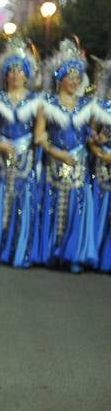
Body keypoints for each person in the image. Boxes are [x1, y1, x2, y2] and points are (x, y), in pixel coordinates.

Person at [31, 42, 98, 271]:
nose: (75, 80)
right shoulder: (46, 103)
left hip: (79, 164)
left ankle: (73, 255)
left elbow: (91, 134)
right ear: (60, 78)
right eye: (70, 76)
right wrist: (56, 152)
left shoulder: (87, 105)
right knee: (52, 204)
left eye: (78, 76)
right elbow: (39, 135)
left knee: (77, 206)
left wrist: (96, 142)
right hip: (55, 163)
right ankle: (52, 251)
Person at [0, 43, 43, 268]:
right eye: (11, 71)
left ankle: (20, 248)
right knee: (1, 196)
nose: (15, 75)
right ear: (5, 75)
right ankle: (0, 246)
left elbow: (39, 132)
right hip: (1, 154)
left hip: (25, 157)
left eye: (20, 71)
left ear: (27, 75)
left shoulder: (36, 101)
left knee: (23, 198)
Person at [90, 60, 111, 272]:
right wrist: (97, 146)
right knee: (100, 208)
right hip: (103, 163)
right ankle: (96, 256)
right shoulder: (100, 105)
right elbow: (90, 135)